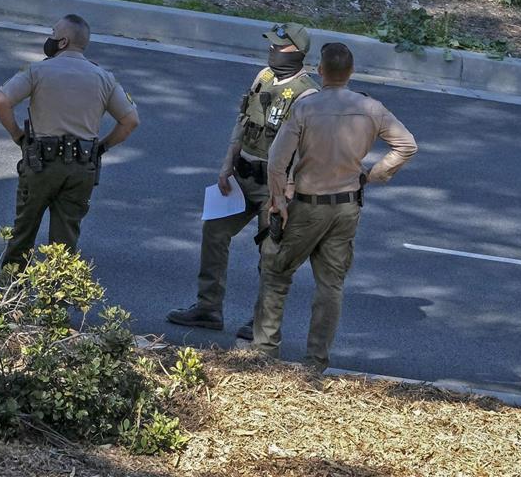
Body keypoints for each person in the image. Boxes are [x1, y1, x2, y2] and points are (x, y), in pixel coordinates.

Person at [253, 41, 417, 370]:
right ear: (351, 72)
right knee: (330, 285)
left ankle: (264, 354)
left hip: (307, 205)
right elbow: (406, 144)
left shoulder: (305, 108)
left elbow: (276, 161)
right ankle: (315, 364)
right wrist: (374, 175)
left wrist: (277, 201)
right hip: (347, 208)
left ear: (321, 71)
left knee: (276, 272)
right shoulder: (371, 108)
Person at [167, 23, 319, 339]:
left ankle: (262, 321)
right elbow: (243, 122)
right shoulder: (263, 77)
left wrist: (288, 190)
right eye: (272, 45)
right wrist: (226, 164)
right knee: (214, 231)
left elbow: (307, 149)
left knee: (270, 253)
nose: (273, 50)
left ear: (298, 52)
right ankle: (208, 308)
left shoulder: (308, 94)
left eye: (280, 46)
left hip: (275, 187)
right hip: (243, 175)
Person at [0, 12, 139, 271]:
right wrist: (102, 147)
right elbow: (130, 121)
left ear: (62, 42)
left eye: (53, 34)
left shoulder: (38, 70)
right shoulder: (104, 77)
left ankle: (7, 297)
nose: (49, 39)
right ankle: (55, 305)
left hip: (41, 164)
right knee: (65, 244)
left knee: (22, 234)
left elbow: (2, 101)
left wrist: (18, 135)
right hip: (82, 168)